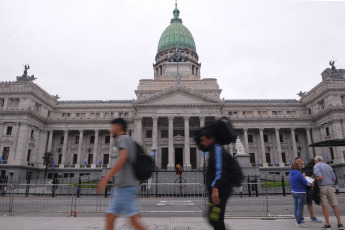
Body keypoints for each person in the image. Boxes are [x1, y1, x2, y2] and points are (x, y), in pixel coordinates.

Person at [98, 118, 146, 230]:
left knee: (133, 220)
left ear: (119, 127)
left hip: (125, 186)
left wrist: (106, 178)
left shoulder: (123, 139)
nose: (110, 130)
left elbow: (122, 158)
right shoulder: (128, 139)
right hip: (121, 186)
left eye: (112, 127)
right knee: (110, 218)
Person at [200, 130, 232, 230]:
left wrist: (215, 188)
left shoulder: (217, 149)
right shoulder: (214, 150)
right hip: (217, 191)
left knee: (215, 218)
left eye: (204, 140)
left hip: (219, 191)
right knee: (214, 218)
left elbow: (220, 170)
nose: (202, 143)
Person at [314, 156, 343, 230]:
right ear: (322, 160)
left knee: (324, 205)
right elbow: (334, 178)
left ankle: (328, 224)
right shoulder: (328, 166)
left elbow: (320, 177)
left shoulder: (316, 166)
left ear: (316, 161)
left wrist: (314, 181)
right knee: (334, 205)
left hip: (322, 187)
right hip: (330, 187)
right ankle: (340, 224)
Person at [295, 157, 322, 223]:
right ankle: (301, 218)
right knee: (301, 204)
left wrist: (312, 182)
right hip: (301, 189)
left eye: (300, 161)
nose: (300, 162)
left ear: (303, 161)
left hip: (309, 188)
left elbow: (312, 177)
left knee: (309, 203)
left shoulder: (308, 168)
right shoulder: (297, 170)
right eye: (298, 161)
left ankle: (312, 217)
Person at [289, 161, 310, 228]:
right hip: (300, 192)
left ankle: (297, 221)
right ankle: (298, 222)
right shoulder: (298, 174)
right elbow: (305, 182)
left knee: (296, 207)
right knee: (300, 208)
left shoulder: (290, 173)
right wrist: (304, 177)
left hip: (293, 192)